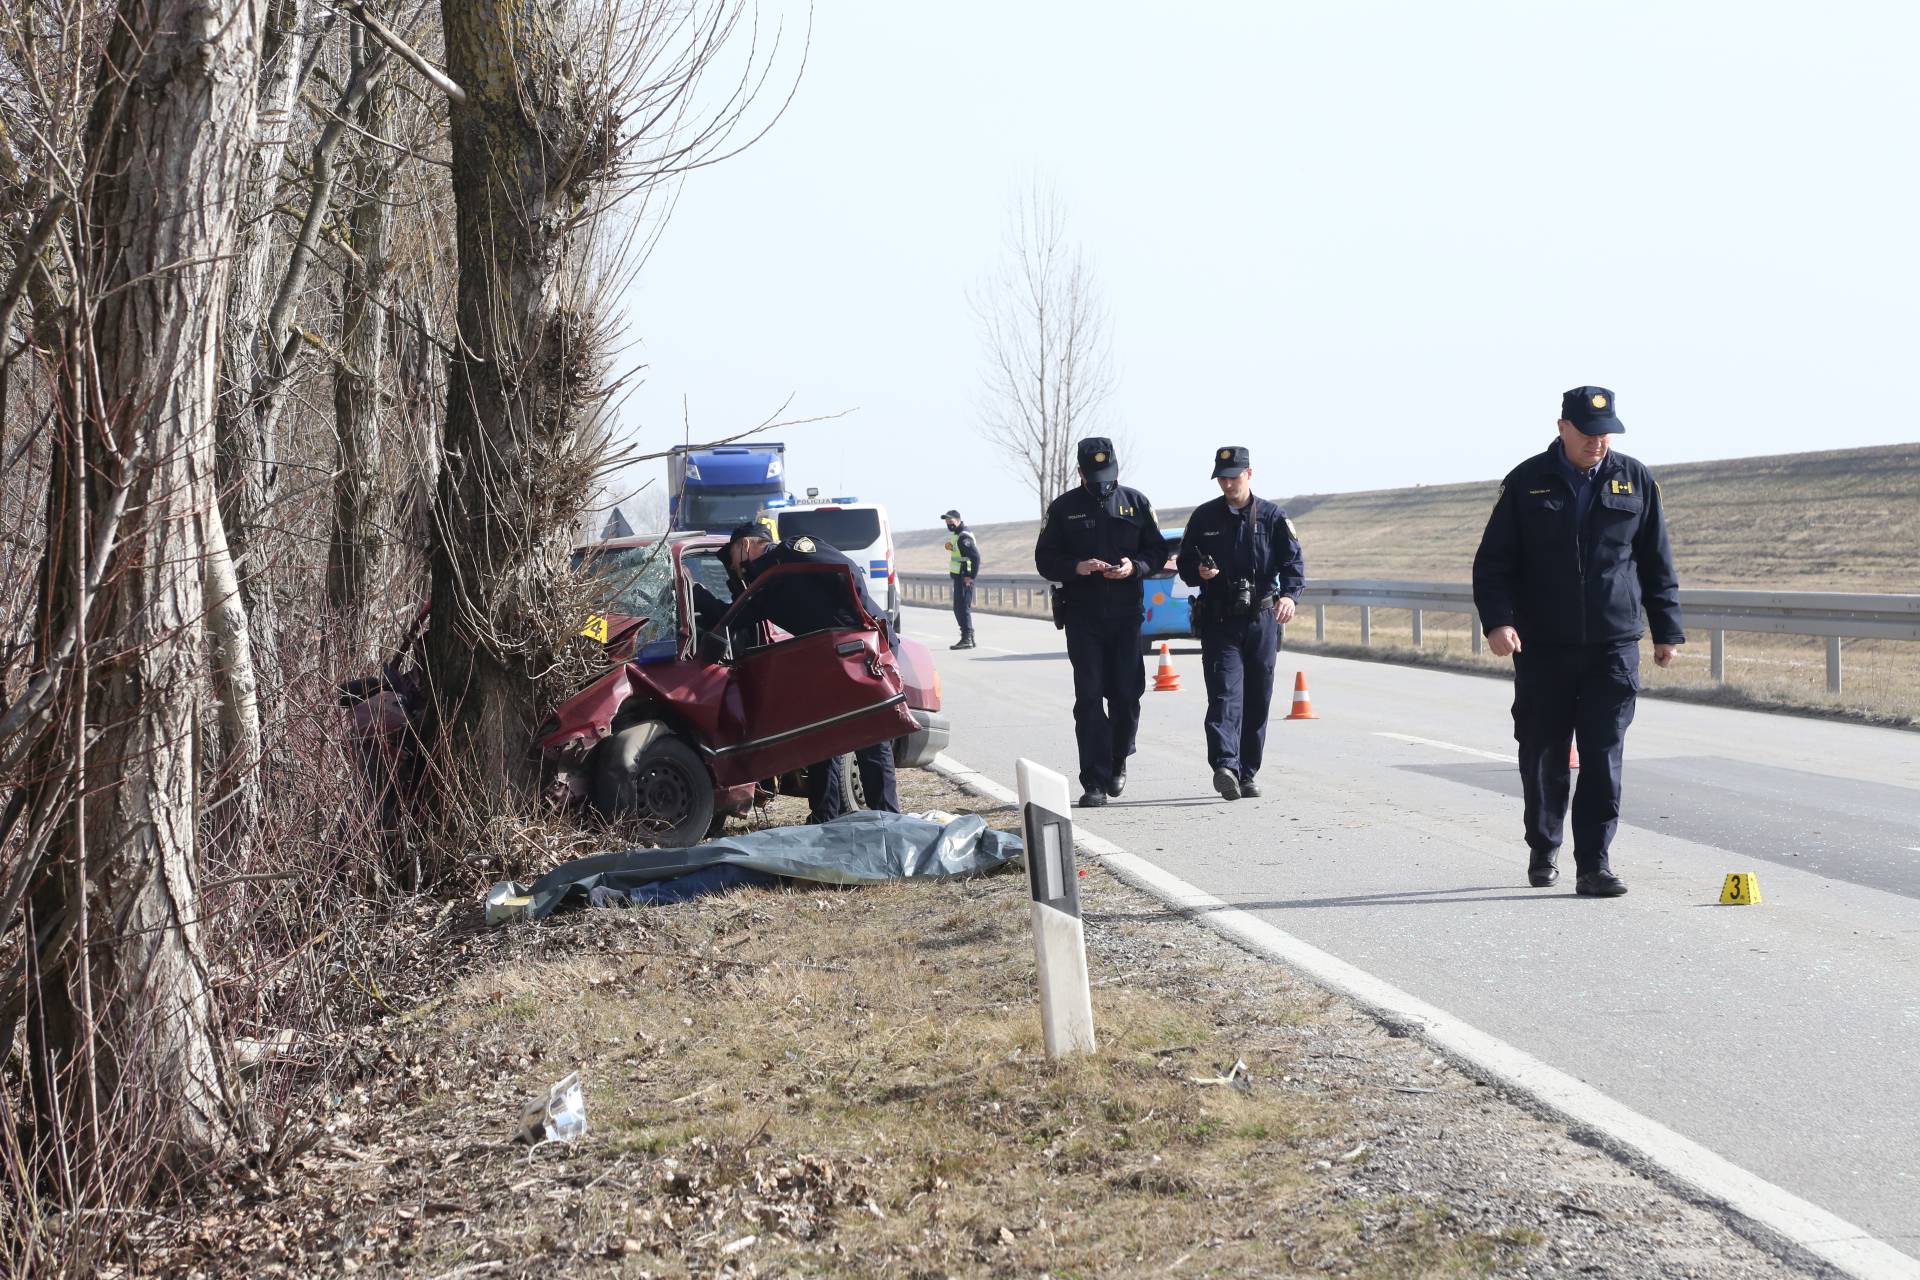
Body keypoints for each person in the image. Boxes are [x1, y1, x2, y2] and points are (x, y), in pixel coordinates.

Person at [1472, 386, 1684, 898]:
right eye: (1588, 432)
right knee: (1543, 752)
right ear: (1562, 427)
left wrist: (1666, 629)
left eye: (1606, 431)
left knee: (1603, 753)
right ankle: (1544, 846)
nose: (1598, 441)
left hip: (1613, 644)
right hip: (1544, 645)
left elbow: (1656, 559)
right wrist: (1498, 622)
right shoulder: (1527, 483)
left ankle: (1594, 863)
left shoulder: (1634, 479)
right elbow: (1493, 562)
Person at [722, 524, 901, 822]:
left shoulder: (790, 550)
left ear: (746, 545)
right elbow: (730, 618)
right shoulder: (767, 586)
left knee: (870, 736)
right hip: (827, 661)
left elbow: (847, 571)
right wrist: (699, 595)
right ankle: (824, 819)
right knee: (823, 739)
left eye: (731, 556)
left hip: (856, 651)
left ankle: (888, 822)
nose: (732, 566)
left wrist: (847, 628)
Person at [1034, 437, 1169, 807]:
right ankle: (1093, 781)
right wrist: (1076, 567)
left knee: (1126, 695)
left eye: (1107, 475)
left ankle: (1118, 757)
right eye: (1093, 475)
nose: (1101, 482)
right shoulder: (1063, 509)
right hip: (1083, 616)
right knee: (1089, 698)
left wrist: (1133, 566)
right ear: (1080, 472)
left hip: (1126, 616)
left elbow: (1157, 550)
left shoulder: (1136, 503)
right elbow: (1045, 559)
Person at [1176, 446, 1305, 801]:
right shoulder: (1204, 518)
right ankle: (1225, 765)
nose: (1228, 483)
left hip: (1262, 618)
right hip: (1219, 618)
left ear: (1250, 474)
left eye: (1234, 476)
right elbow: (1185, 565)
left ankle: (1247, 772)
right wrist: (1198, 571)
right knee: (1224, 694)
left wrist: (1289, 597)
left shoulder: (1273, 517)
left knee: (1258, 698)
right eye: (1222, 477)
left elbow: (1294, 563)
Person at [941, 508, 982, 650]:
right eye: (947, 521)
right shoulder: (957, 535)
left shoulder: (964, 536)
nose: (948, 524)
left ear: (958, 520)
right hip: (959, 577)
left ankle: (967, 638)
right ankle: (968, 637)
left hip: (965, 578)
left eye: (951, 521)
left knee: (962, 608)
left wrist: (970, 576)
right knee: (959, 608)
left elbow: (975, 558)